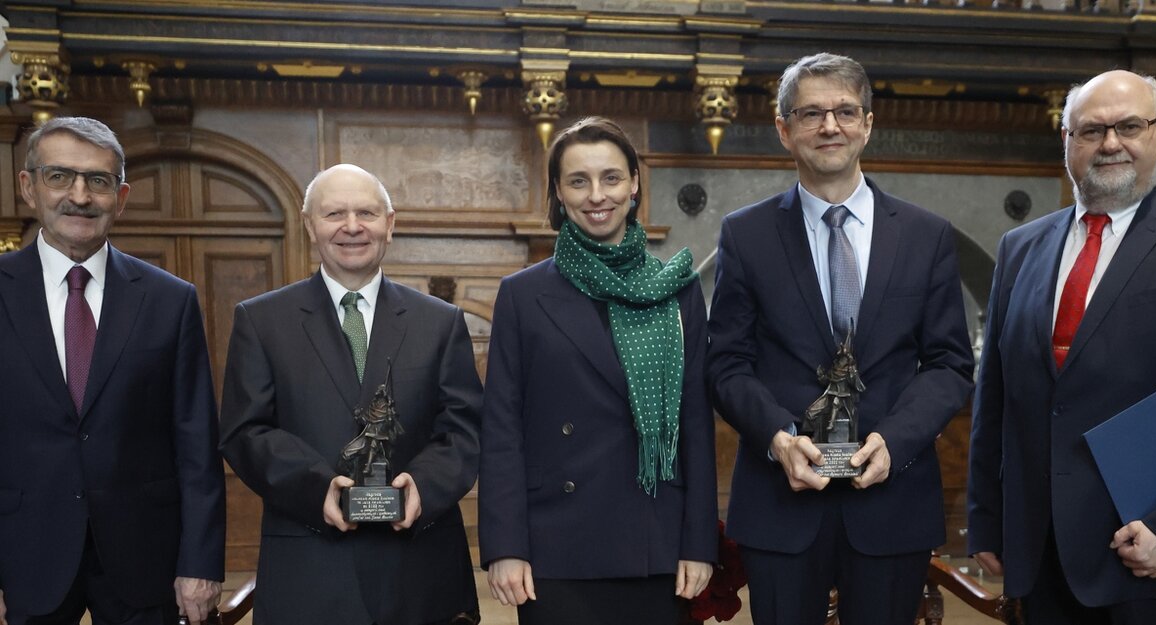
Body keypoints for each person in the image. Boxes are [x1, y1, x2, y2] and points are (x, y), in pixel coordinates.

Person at [706, 53, 974, 625]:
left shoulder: (927, 236)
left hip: (891, 498)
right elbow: (726, 364)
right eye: (812, 113)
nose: (830, 126)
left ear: (868, 124)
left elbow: (950, 364)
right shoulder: (745, 235)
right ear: (784, 129)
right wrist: (778, 438)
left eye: (845, 111)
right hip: (783, 498)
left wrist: (895, 442)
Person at [968, 69, 1156, 624]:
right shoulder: (1020, 248)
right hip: (1040, 557)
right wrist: (987, 516)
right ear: (1066, 141)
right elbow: (993, 397)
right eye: (1091, 131)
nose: (1110, 143)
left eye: (1129, 126)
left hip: (1151, 556)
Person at [219, 164, 483, 625]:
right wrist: (314, 488)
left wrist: (423, 485)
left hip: (420, 573)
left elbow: (464, 429)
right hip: (310, 569)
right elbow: (246, 432)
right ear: (309, 226)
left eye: (367, 212)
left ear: (390, 223)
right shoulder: (261, 321)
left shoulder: (440, 322)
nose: (353, 226)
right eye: (334, 213)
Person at [479, 116, 717, 625]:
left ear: (634, 184)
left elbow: (696, 422)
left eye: (611, 178)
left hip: (656, 537)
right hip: (555, 545)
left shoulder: (677, 288)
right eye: (578, 181)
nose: (596, 195)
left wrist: (700, 542)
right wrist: (505, 545)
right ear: (558, 194)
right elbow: (501, 428)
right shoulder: (522, 294)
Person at [0, 117, 225, 625]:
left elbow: (196, 446)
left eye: (98, 181)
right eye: (59, 176)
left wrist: (201, 563)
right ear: (28, 187)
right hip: (23, 556)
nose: (79, 195)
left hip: (145, 559)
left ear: (120, 197)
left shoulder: (171, 300)